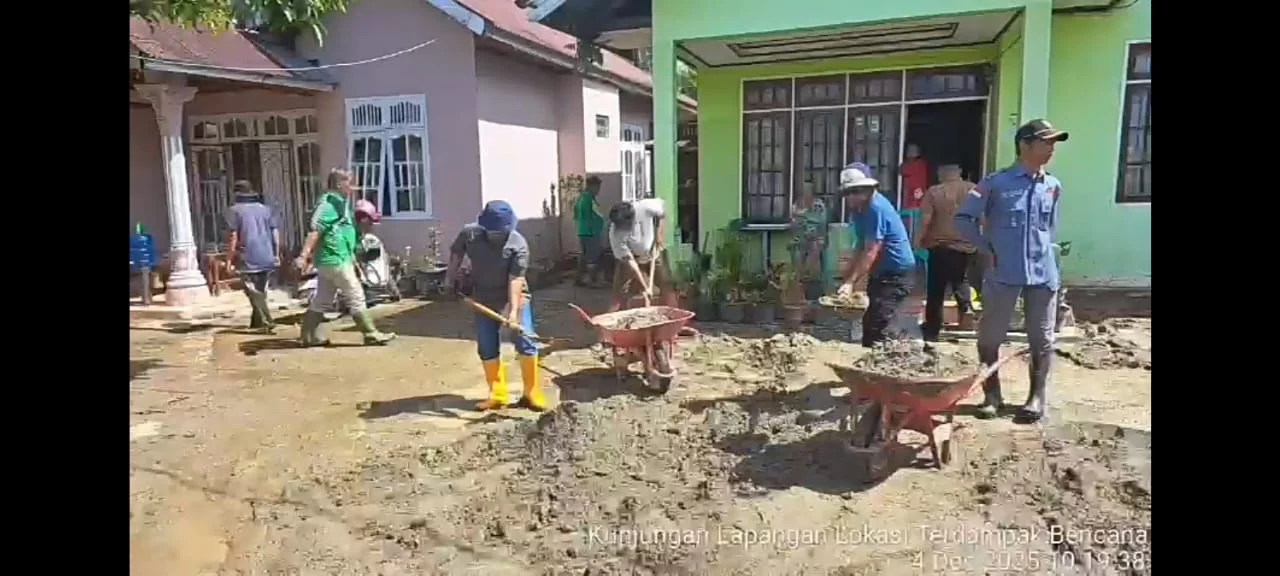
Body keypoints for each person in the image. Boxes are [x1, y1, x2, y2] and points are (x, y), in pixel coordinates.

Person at [955, 119, 1068, 424]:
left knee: (1042, 340)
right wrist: (986, 248)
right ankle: (992, 396)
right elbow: (964, 219)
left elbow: (1050, 228)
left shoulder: (1052, 186)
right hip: (1003, 272)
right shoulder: (996, 184)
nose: (1051, 148)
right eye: (1046, 142)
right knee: (990, 337)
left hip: (1043, 275)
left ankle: (1036, 396)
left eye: (1054, 143)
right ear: (1025, 145)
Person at [445, 200, 548, 412]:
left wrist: (512, 312)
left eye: (501, 232)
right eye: (492, 232)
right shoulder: (470, 234)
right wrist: (450, 277)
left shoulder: (517, 244)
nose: (497, 236)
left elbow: (515, 280)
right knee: (487, 345)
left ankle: (531, 392)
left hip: (515, 296)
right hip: (482, 297)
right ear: (484, 227)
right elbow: (457, 252)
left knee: (525, 339)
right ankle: (497, 394)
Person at [295, 169, 397, 347]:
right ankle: (371, 333)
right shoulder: (327, 205)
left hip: (334, 258)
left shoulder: (339, 204)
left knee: (323, 299)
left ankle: (308, 336)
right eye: (349, 183)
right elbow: (315, 229)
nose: (352, 187)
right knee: (356, 295)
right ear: (338, 184)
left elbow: (342, 231)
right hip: (335, 258)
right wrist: (303, 256)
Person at [836, 163, 917, 347]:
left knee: (883, 323)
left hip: (897, 273)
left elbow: (871, 250)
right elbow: (860, 247)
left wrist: (851, 282)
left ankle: (891, 363)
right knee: (871, 322)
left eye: (855, 192)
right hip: (881, 272)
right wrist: (847, 278)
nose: (851, 197)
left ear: (867, 190)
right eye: (848, 193)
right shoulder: (858, 211)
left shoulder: (876, 209)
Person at [918, 164, 978, 340]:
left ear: (941, 173)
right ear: (959, 172)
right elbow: (984, 217)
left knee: (936, 290)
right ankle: (966, 307)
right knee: (961, 278)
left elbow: (926, 219)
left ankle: (932, 329)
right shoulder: (973, 190)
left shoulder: (934, 192)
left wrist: (917, 241)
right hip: (966, 246)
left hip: (940, 246)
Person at [225, 180, 280, 333]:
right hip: (266, 254)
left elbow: (233, 236)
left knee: (252, 291)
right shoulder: (265, 210)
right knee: (261, 290)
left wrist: (229, 260)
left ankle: (266, 320)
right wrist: (276, 254)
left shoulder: (234, 211)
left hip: (247, 255)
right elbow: (275, 233)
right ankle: (256, 321)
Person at [606, 197, 676, 313]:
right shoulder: (615, 233)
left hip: (652, 253)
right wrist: (645, 286)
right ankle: (613, 322)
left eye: (625, 224)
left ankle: (674, 316)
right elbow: (630, 262)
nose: (623, 228)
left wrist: (659, 233)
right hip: (632, 258)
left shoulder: (645, 207)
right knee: (620, 291)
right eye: (620, 225)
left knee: (666, 283)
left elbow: (662, 212)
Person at [573, 176, 607, 287]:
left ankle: (578, 279)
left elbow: (576, 215)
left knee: (584, 256)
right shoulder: (589, 200)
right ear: (592, 186)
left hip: (583, 230)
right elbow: (595, 215)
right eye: (597, 187)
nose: (598, 190)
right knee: (593, 257)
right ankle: (594, 281)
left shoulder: (580, 198)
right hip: (591, 232)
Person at [901, 143, 929, 210]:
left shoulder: (914, 164)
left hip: (914, 192)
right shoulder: (922, 163)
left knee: (913, 208)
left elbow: (902, 170)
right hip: (918, 191)